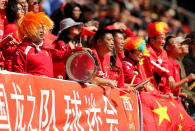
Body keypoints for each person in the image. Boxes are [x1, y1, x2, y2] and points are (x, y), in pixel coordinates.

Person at [13, 12, 90, 78]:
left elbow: (62, 55)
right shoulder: (22, 50)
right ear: (29, 31)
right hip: (32, 92)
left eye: (43, 28)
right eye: (38, 28)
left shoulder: (45, 47)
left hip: (47, 91)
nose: (42, 31)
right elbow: (17, 74)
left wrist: (79, 50)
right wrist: (36, 78)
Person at [144, 22, 175, 94]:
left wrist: (166, 91)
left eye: (164, 39)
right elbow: (154, 65)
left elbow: (165, 68)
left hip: (156, 87)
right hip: (144, 85)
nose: (164, 42)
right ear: (152, 40)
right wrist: (168, 75)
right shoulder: (145, 50)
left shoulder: (164, 52)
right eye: (161, 39)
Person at [2, 0, 25, 71]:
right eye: (19, 9)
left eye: (22, 9)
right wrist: (21, 48)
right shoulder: (11, 27)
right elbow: (5, 49)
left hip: (18, 64)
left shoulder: (19, 27)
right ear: (13, 11)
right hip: (11, 66)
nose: (22, 11)